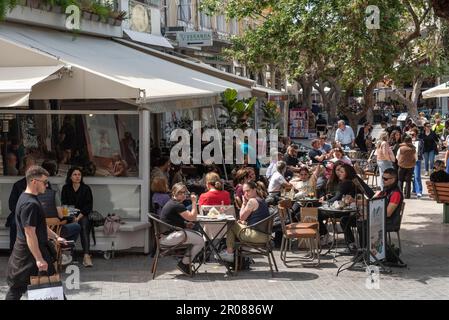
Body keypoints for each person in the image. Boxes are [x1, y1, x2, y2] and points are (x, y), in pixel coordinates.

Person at [5, 166, 68, 300]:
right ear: (34, 182)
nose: (47, 185)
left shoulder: (26, 197)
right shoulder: (30, 204)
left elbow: (41, 225)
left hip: (32, 253)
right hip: (29, 256)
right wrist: (39, 259)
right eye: (44, 182)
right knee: (17, 290)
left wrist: (56, 237)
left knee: (52, 288)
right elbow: (30, 233)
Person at [159, 183, 205, 275]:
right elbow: (193, 217)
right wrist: (193, 202)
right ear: (174, 193)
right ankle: (184, 264)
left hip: (166, 236)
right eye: (180, 193)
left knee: (197, 237)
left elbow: (172, 220)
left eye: (184, 192)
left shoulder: (173, 202)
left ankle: (185, 262)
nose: (183, 195)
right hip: (167, 238)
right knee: (201, 241)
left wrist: (185, 224)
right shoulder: (177, 205)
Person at [219, 181, 271, 263]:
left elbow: (242, 217)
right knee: (237, 225)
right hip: (265, 236)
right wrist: (245, 223)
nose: (246, 194)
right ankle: (235, 255)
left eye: (248, 191)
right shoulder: (262, 200)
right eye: (244, 192)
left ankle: (229, 253)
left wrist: (243, 203)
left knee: (231, 223)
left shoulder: (252, 201)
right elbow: (257, 219)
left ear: (254, 190)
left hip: (255, 235)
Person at [61, 167, 94, 267]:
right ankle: (67, 253)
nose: (77, 177)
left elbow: (88, 206)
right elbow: (64, 205)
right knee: (68, 224)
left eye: (79, 174)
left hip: (83, 214)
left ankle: (86, 256)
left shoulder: (86, 189)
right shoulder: (66, 188)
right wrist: (71, 216)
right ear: (70, 177)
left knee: (84, 225)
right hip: (70, 213)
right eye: (75, 174)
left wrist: (78, 217)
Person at [6, 155, 37, 251]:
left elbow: (48, 201)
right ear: (24, 168)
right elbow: (12, 204)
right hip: (20, 214)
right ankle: (14, 252)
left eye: (33, 166)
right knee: (14, 223)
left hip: (37, 214)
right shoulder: (18, 185)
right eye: (28, 166)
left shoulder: (42, 183)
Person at [410, 128, 424, 198]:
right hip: (409, 161)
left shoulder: (420, 141)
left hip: (417, 160)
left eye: (413, 134)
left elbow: (421, 151)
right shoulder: (408, 141)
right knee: (412, 176)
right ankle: (414, 189)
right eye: (411, 134)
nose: (412, 136)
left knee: (417, 176)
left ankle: (419, 191)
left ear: (416, 134)